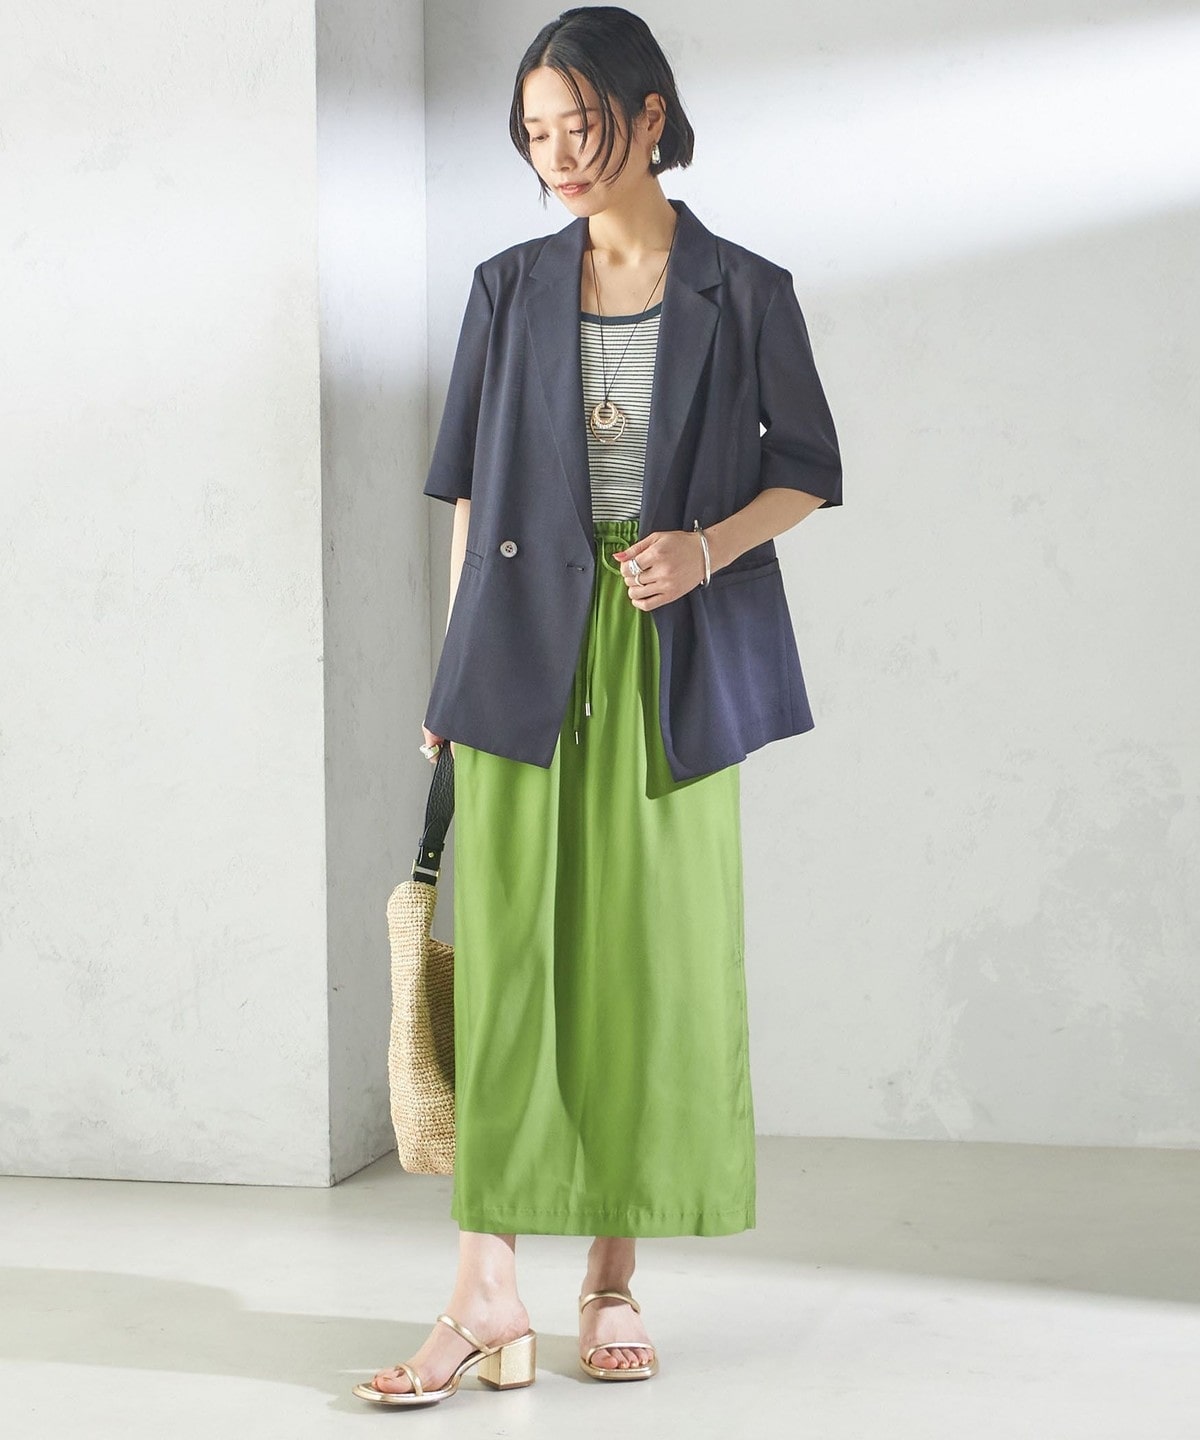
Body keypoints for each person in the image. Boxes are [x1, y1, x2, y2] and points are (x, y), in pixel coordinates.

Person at [354, 4, 841, 1409]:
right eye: (535, 133)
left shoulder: (746, 289)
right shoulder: (508, 287)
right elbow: (467, 491)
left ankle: (612, 1278)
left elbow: (807, 470)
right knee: (510, 965)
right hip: (521, 652)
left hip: (668, 658)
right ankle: (485, 1290)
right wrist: (455, 669)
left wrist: (706, 548)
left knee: (642, 960)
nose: (557, 153)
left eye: (580, 124)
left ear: (650, 113)